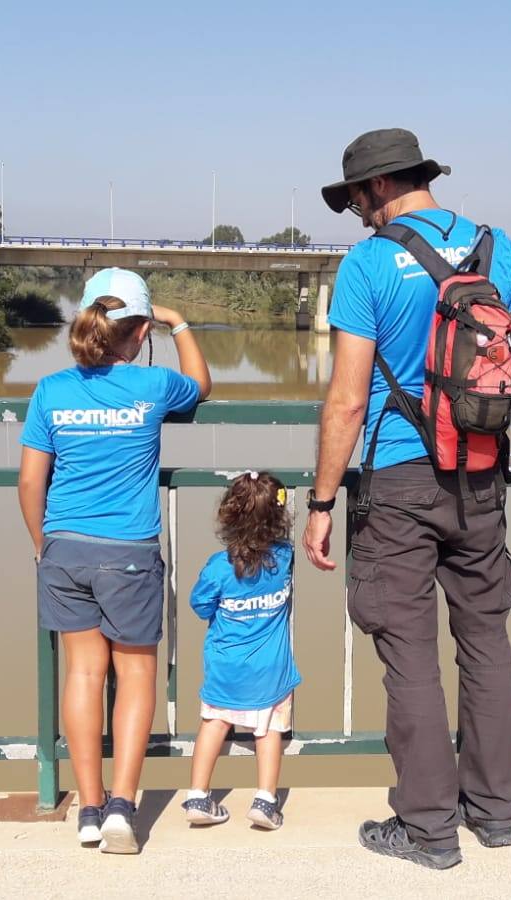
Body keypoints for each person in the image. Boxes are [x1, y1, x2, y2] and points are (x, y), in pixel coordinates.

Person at [303, 128, 511, 869]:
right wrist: (477, 400)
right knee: (486, 645)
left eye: (355, 196)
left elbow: (347, 403)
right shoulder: (495, 246)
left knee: (410, 656)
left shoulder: (367, 264)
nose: (355, 210)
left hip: (399, 483)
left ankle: (428, 831)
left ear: (380, 186)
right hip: (481, 475)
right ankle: (493, 814)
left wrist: (322, 504)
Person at [17, 267, 211, 854]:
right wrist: (180, 325)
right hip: (129, 552)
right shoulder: (152, 386)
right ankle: (124, 810)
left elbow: (30, 481)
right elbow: (201, 384)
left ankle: (88, 810)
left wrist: (41, 544)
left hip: (64, 548)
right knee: (136, 674)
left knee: (82, 674)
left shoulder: (51, 389)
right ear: (140, 330)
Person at [181, 471, 300, 832]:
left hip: (225, 666)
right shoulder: (285, 557)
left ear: (228, 517)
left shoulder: (218, 568)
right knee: (269, 731)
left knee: (214, 723)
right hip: (271, 669)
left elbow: (200, 606)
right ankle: (265, 800)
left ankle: (198, 795)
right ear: (279, 519)